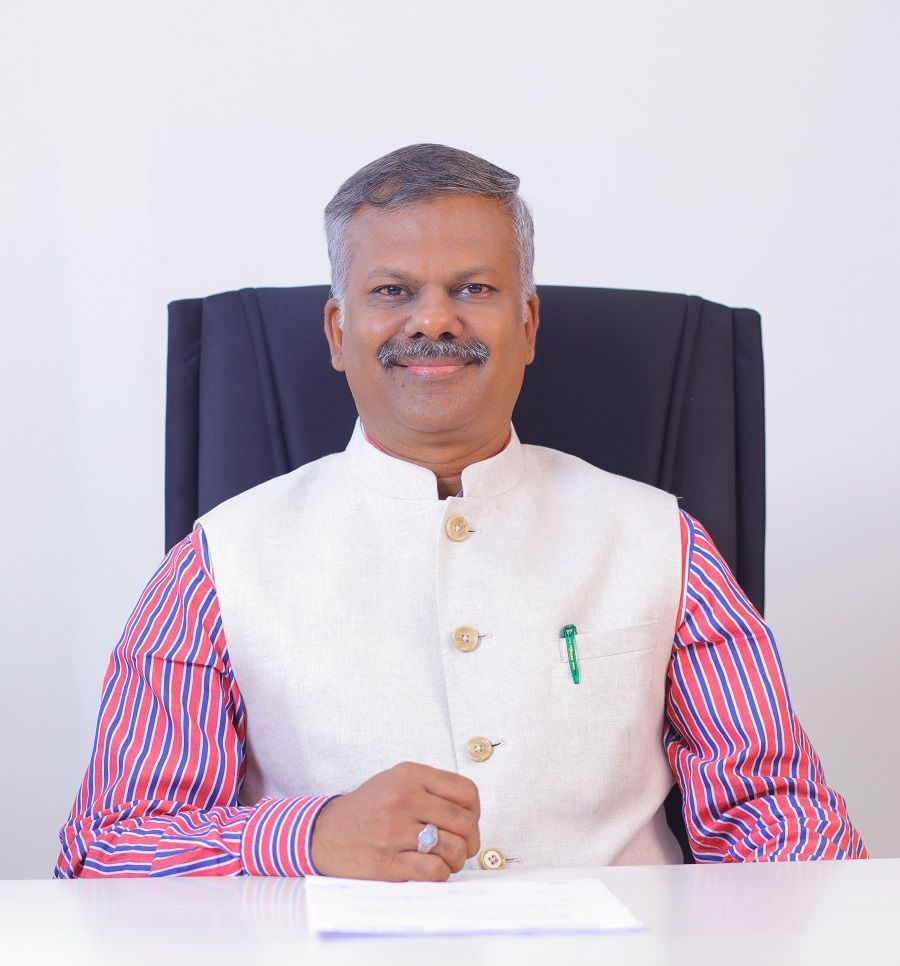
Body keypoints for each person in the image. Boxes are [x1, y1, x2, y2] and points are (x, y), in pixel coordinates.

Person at [56, 144, 866, 880]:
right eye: (392, 291)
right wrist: (310, 837)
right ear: (338, 332)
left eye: (473, 289)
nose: (434, 319)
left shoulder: (663, 542)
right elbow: (105, 848)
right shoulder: (218, 564)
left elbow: (773, 811)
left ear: (528, 324)